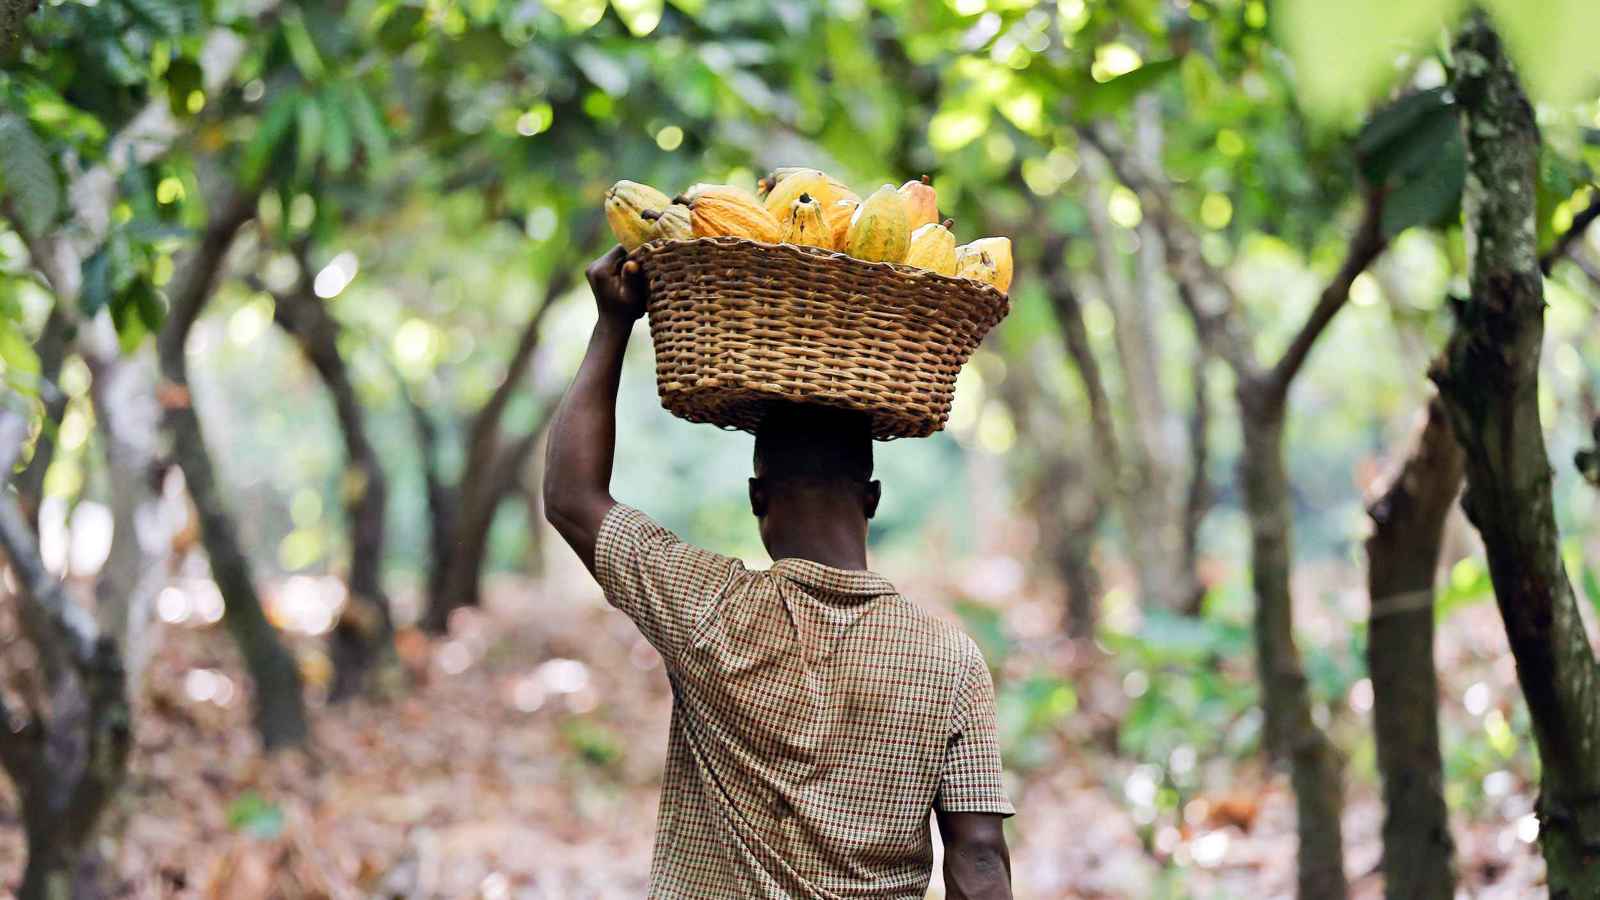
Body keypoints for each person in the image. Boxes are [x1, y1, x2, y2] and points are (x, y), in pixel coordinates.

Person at [543, 246, 1015, 899]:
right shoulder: (951, 662)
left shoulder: (707, 609)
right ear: (871, 501)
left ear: (757, 499)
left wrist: (612, 323)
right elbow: (980, 855)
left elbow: (572, 499)